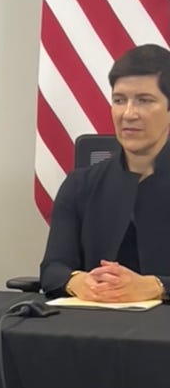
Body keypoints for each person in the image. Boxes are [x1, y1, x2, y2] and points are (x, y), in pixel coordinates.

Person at [41, 44, 170, 302]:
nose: (128, 114)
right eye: (119, 100)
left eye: (144, 100)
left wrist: (156, 286)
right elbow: (53, 268)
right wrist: (78, 281)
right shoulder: (80, 184)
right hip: (95, 329)